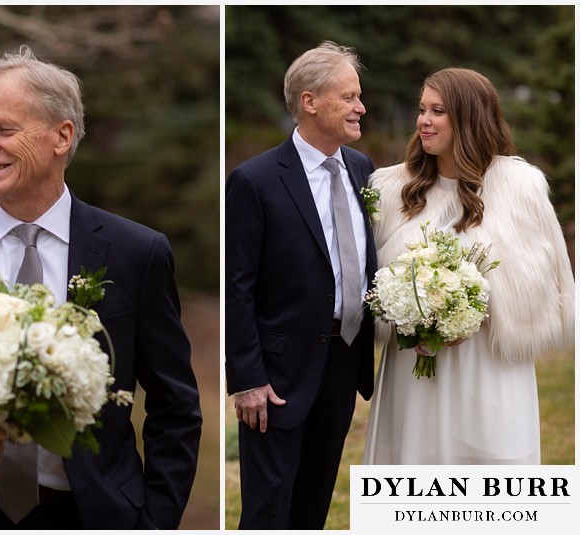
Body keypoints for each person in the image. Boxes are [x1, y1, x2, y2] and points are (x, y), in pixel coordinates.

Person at [0, 46, 202, 530]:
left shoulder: (135, 252)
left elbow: (175, 406)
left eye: (4, 130)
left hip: (93, 513)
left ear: (62, 136)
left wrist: (154, 521)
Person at [362, 68, 574, 464]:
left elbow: (544, 285)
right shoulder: (391, 190)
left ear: (469, 117)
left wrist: (471, 313)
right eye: (422, 109)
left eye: (438, 111)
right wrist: (411, 316)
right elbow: (370, 284)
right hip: (414, 368)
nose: (424, 120)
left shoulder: (519, 186)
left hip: (488, 366)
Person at [225, 41, 377, 529]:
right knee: (269, 511)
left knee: (313, 506)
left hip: (343, 361)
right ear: (310, 102)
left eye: (360, 96)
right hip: (277, 376)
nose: (361, 107)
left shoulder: (362, 170)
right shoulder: (255, 180)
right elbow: (237, 286)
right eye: (349, 97)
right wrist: (247, 377)